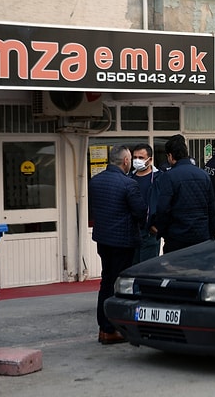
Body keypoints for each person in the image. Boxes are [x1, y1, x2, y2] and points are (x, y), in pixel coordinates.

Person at [88, 145, 147, 345]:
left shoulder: (95, 181)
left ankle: (104, 328)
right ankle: (116, 327)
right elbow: (140, 211)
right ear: (125, 161)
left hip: (103, 239)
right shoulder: (128, 184)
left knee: (106, 282)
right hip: (123, 241)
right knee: (120, 286)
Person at [155, 134, 215, 253]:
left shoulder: (168, 176)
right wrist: (210, 233)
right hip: (201, 235)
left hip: (177, 237)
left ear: (170, 156)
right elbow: (212, 208)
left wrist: (162, 231)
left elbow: (163, 208)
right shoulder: (203, 175)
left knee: (176, 270)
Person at [130, 143, 162, 263]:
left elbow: (163, 204)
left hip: (150, 233)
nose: (137, 160)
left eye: (141, 158)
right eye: (135, 157)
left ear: (150, 159)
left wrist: (156, 225)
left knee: (148, 270)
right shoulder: (129, 178)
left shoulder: (159, 178)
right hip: (131, 233)